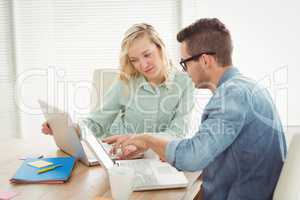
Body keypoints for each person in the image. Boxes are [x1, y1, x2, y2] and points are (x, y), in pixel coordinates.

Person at [107, 18, 287, 200]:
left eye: (185, 63)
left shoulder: (233, 95)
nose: (185, 72)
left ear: (205, 60)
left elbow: (192, 157)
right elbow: (205, 147)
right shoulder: (245, 87)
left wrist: (146, 139)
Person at [42, 23, 195, 148]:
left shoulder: (186, 82)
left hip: (158, 157)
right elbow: (97, 122)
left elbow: (178, 132)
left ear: (160, 47)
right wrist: (70, 129)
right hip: (119, 153)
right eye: (134, 60)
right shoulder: (127, 81)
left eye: (147, 54)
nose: (143, 65)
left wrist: (140, 140)